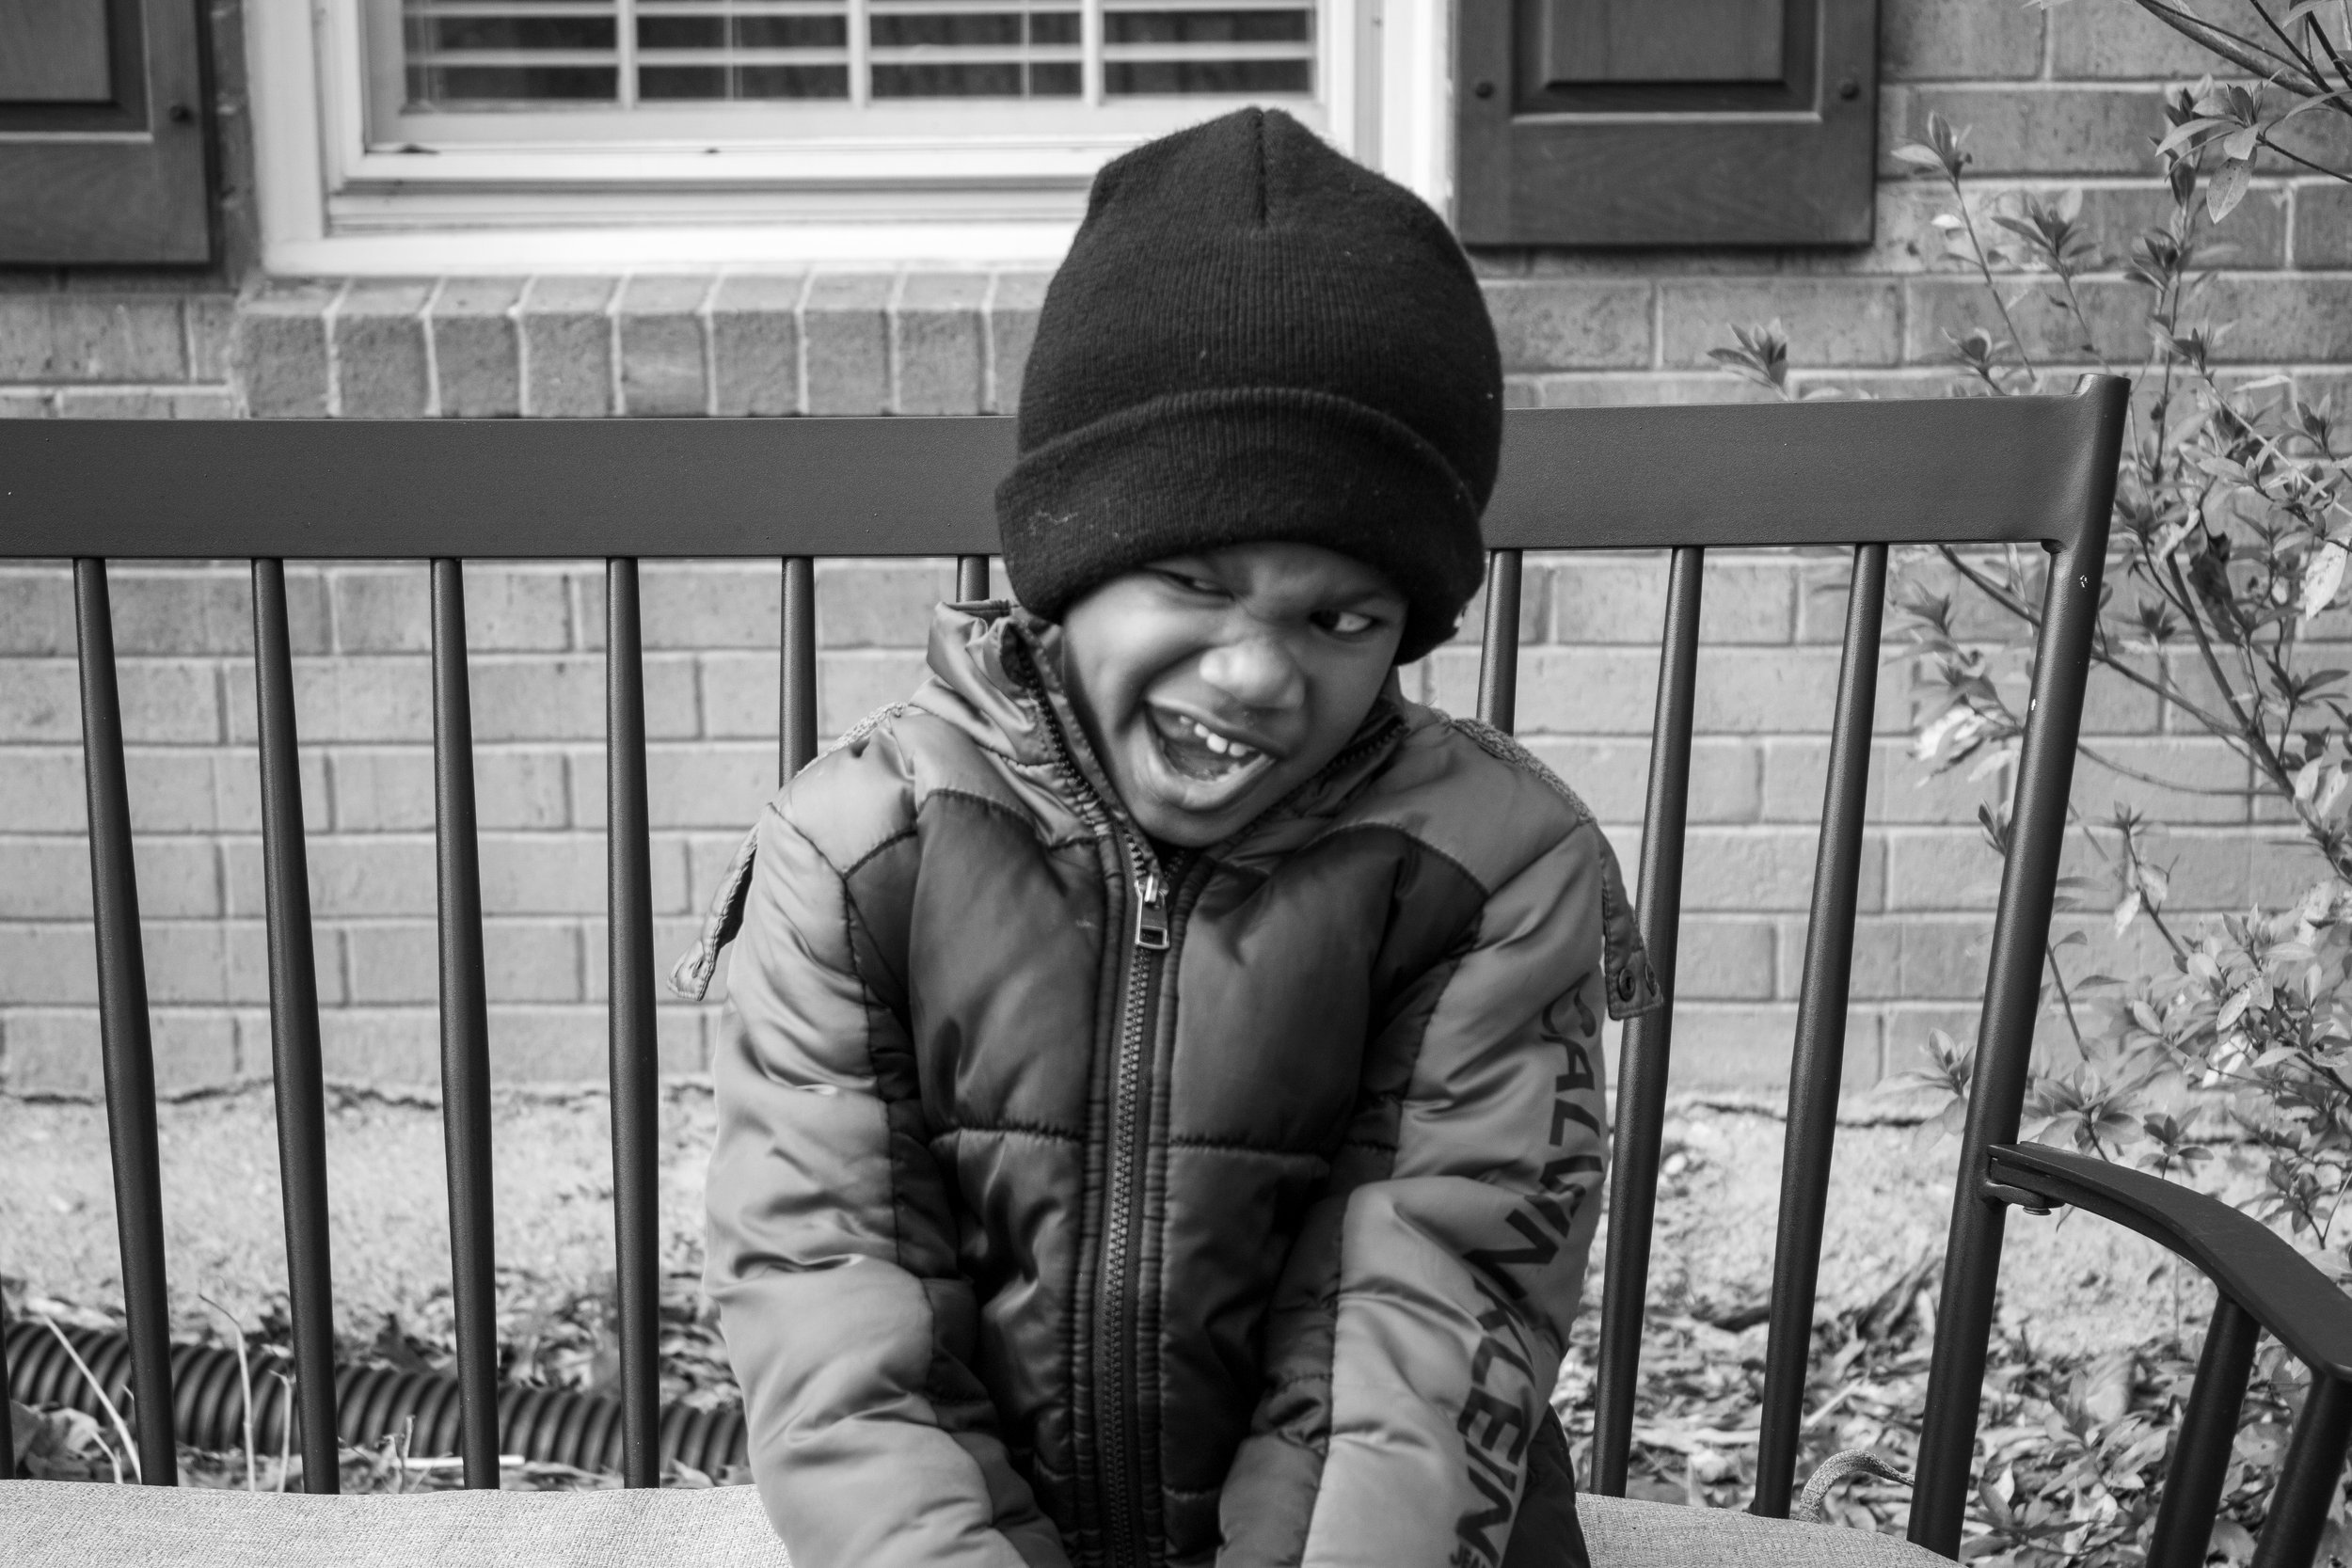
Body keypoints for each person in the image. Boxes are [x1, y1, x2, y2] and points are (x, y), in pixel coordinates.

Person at [674, 105, 1659, 1568]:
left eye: (1344, 616)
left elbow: (1435, 1309)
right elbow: (834, 1301)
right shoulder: (864, 850)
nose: (1259, 673)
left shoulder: (1495, 867)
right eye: (1193, 580)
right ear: (1067, 570)